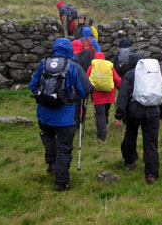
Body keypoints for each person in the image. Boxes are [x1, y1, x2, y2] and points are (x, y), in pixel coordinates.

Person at [29, 38, 94, 192]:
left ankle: (52, 165)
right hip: (64, 116)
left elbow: (32, 86)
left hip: (44, 114)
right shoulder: (73, 67)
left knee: (49, 137)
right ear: (69, 50)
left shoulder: (43, 64)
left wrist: (46, 98)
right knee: (63, 148)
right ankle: (61, 182)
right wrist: (73, 96)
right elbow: (83, 91)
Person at [114, 59, 162, 185]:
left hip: (134, 111)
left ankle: (130, 161)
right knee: (151, 142)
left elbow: (123, 95)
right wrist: (161, 112)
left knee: (131, 134)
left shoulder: (130, 74)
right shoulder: (153, 73)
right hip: (153, 111)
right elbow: (160, 92)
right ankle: (151, 173)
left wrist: (119, 114)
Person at [86, 52, 122, 141]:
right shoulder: (109, 66)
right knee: (105, 112)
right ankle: (104, 127)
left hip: (97, 95)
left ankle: (102, 135)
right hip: (109, 94)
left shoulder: (92, 67)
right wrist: (119, 87)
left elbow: (86, 79)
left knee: (99, 114)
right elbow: (117, 79)